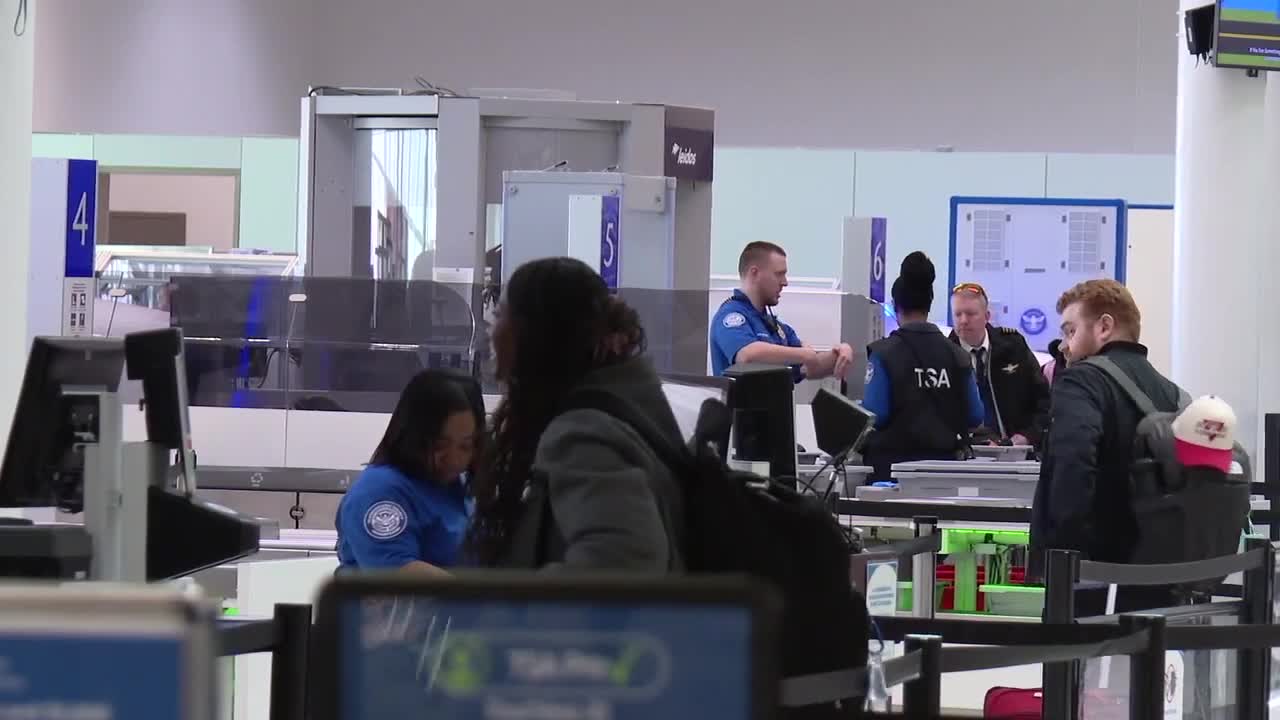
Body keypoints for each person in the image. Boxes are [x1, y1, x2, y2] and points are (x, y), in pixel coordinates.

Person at [467, 257, 685, 572]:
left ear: (534, 334)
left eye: (501, 314)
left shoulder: (583, 436)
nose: (491, 328)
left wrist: (512, 609)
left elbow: (624, 564)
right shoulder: (629, 403)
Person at [1030, 279, 1184, 614]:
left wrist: (1065, 565)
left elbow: (1073, 469)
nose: (1064, 347)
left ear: (1104, 327)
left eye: (1071, 331)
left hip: (1094, 580)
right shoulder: (1171, 394)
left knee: (1074, 667)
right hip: (1162, 580)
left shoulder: (1081, 381)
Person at [334, 370, 482, 574]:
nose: (455, 460)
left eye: (466, 446)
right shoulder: (380, 490)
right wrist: (485, 599)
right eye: (439, 446)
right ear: (413, 436)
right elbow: (399, 575)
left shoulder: (459, 486)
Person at [861, 252, 985, 481]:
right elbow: (975, 415)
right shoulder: (958, 355)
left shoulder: (883, 354)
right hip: (945, 474)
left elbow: (875, 414)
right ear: (929, 305)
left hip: (891, 475)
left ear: (895, 306)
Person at [710, 242, 854, 382]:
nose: (785, 282)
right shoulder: (730, 316)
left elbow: (810, 367)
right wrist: (803, 354)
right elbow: (747, 355)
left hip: (778, 406)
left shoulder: (776, 327)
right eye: (779, 274)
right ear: (754, 273)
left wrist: (840, 354)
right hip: (741, 406)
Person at [948, 282, 1050, 447]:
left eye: (971, 313)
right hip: (966, 452)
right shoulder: (946, 354)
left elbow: (1043, 400)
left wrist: (1027, 435)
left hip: (1015, 451)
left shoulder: (1013, 346)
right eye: (957, 314)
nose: (963, 320)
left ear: (987, 316)